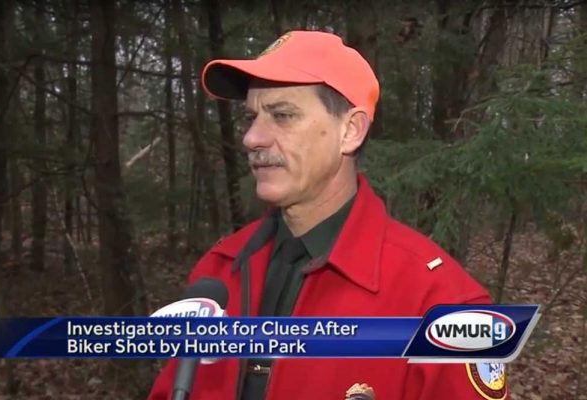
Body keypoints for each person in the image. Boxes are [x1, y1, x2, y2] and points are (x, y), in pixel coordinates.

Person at [148, 30, 508, 400]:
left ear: (350, 131)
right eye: (251, 117)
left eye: (282, 115)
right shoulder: (218, 273)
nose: (252, 138)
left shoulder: (441, 303)